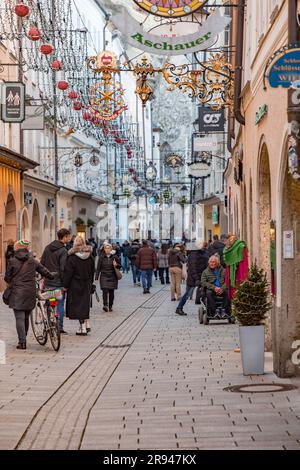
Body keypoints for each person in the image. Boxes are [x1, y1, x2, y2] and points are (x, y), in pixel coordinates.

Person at [4, 240, 54, 350]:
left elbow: (7, 278)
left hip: (17, 292)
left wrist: (12, 280)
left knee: (19, 318)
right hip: (30, 291)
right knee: (26, 316)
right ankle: (24, 337)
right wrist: (52, 276)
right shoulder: (33, 261)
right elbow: (44, 271)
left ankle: (22, 342)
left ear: (16, 249)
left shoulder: (12, 261)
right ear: (27, 249)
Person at [40, 228, 71, 334]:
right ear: (65, 237)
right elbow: (63, 268)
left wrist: (44, 276)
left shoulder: (47, 247)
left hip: (48, 281)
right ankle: (59, 326)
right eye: (69, 236)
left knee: (48, 303)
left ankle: (48, 324)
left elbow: (42, 263)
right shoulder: (63, 250)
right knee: (60, 304)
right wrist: (65, 283)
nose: (70, 238)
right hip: (58, 283)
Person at [63, 236, 95, 336]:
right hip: (86, 283)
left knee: (77, 306)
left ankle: (83, 328)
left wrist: (65, 285)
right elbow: (92, 271)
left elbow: (68, 272)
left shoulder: (72, 257)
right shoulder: (90, 256)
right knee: (84, 304)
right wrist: (91, 282)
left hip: (75, 284)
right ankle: (86, 323)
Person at [176, 241, 208, 316]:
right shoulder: (193, 254)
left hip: (201, 276)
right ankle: (179, 308)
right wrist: (197, 279)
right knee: (188, 294)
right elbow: (193, 268)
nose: (202, 245)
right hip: (193, 277)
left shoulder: (201, 253)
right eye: (201, 244)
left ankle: (208, 308)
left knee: (205, 292)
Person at [95, 243, 121, 312]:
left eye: (108, 248)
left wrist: (116, 265)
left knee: (111, 292)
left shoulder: (114, 257)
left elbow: (120, 266)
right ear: (104, 249)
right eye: (106, 248)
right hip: (104, 276)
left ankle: (110, 305)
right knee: (105, 291)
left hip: (113, 276)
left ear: (111, 249)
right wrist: (96, 278)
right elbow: (98, 269)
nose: (107, 249)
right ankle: (105, 305)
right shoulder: (101, 257)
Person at [223, 234, 249, 300]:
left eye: (227, 241)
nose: (226, 243)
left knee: (240, 296)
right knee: (233, 297)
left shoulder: (241, 247)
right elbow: (227, 266)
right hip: (231, 277)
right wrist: (227, 280)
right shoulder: (227, 249)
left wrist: (244, 278)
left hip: (239, 275)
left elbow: (244, 264)